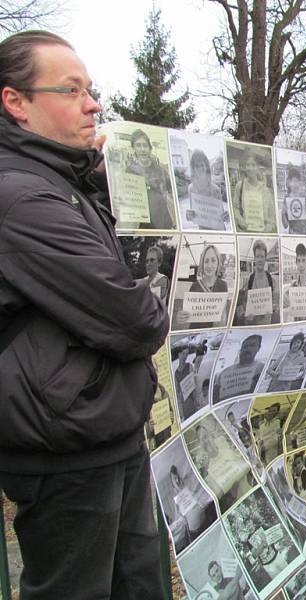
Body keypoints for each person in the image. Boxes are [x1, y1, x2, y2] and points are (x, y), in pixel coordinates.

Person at [0, 31, 170, 598]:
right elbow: (136, 319)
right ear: (15, 102)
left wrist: (94, 184)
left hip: (105, 433)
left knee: (138, 586)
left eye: (91, 90)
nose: (93, 104)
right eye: (71, 90)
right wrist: (144, 296)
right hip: (66, 452)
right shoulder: (21, 198)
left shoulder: (61, 185)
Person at [125, 128, 176, 229]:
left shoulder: (160, 170)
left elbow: (171, 193)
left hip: (164, 221)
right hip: (143, 224)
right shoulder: (129, 171)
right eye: (138, 145)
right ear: (133, 148)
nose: (142, 149)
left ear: (150, 148)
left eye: (145, 145)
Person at [234, 238, 279, 325]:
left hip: (266, 325)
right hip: (251, 325)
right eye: (257, 256)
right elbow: (240, 306)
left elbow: (276, 305)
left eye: (262, 256)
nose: (260, 260)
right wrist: (245, 313)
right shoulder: (248, 281)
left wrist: (272, 311)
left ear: (265, 258)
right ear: (254, 258)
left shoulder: (271, 281)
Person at [231, 148, 276, 233]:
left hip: (262, 232)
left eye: (253, 165)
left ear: (258, 168)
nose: (250, 168)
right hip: (245, 232)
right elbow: (235, 208)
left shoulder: (265, 190)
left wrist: (269, 227)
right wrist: (240, 220)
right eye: (248, 165)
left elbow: (272, 215)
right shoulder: (240, 186)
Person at [212, 334, 265, 403]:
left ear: (258, 348)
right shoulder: (224, 373)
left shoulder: (262, 369)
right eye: (245, 346)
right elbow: (215, 397)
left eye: (252, 345)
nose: (247, 349)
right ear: (241, 349)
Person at [185, 149, 227, 230]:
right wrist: (189, 216)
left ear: (206, 166)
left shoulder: (216, 189)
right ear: (193, 168)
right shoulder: (191, 189)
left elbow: (222, 216)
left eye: (202, 165)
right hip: (204, 231)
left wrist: (226, 216)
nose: (200, 168)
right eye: (196, 166)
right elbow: (194, 215)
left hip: (219, 231)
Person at [283, 242, 306, 322]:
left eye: (303, 261)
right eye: (299, 261)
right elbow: (283, 302)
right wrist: (284, 301)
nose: (301, 265)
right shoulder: (293, 286)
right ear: (296, 264)